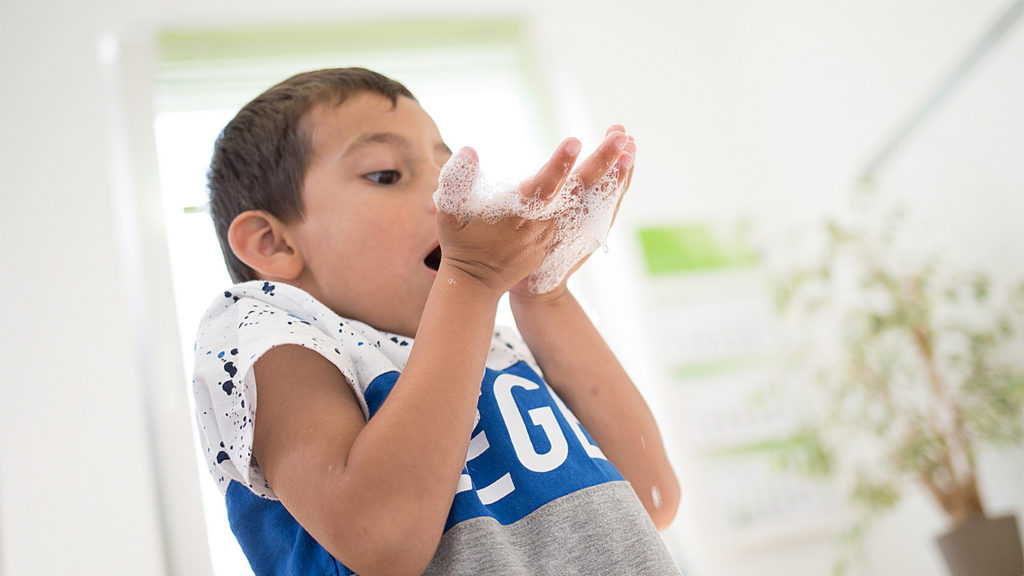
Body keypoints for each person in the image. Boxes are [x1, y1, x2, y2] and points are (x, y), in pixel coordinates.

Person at [192, 67, 681, 575]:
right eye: (386, 175)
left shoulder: (495, 344)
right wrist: (470, 277)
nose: (450, 194)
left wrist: (545, 291)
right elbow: (382, 539)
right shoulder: (265, 331)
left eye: (448, 170)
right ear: (273, 244)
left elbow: (653, 496)